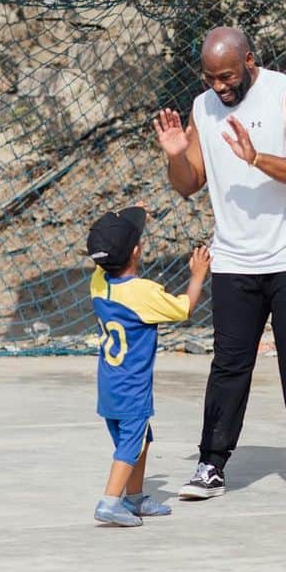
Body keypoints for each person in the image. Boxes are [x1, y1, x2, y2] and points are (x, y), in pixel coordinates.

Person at [154, 26, 286, 501]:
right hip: (235, 257)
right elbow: (188, 182)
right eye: (211, 78)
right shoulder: (202, 107)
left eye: (228, 76)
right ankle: (211, 463)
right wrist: (175, 156)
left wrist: (257, 158)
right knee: (229, 365)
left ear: (250, 61)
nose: (220, 86)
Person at [86, 206, 210, 527]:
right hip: (132, 389)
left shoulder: (98, 283)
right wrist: (198, 275)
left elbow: (108, 260)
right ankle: (110, 501)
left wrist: (131, 218)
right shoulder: (143, 293)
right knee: (131, 444)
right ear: (137, 251)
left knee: (143, 439)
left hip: (109, 386)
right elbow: (184, 308)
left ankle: (135, 498)